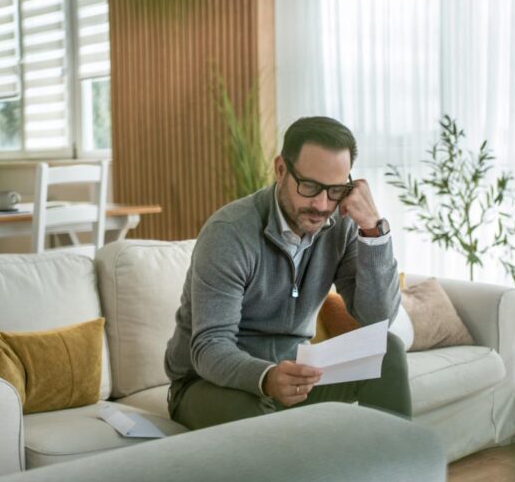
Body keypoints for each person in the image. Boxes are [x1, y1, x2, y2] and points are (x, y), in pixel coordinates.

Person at [164, 116, 411, 429]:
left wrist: (373, 231)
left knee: (387, 351)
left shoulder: (343, 225)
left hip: (295, 376)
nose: (322, 205)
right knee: (257, 419)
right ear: (281, 169)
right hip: (207, 385)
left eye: (335, 190)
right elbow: (209, 347)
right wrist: (266, 377)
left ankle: (398, 472)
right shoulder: (228, 234)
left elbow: (377, 321)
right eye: (309, 186)